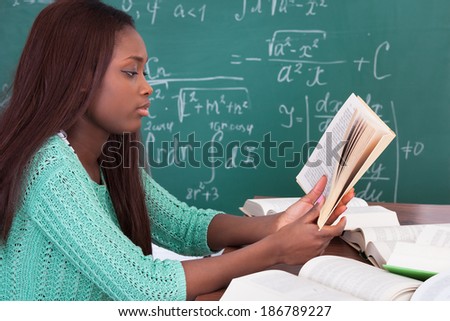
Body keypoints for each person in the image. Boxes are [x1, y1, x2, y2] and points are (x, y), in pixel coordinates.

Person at [0, 0, 352, 301]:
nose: (147, 87)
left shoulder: (108, 158)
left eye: (144, 72)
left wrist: (275, 224)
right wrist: (275, 249)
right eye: (130, 72)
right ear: (79, 78)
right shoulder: (50, 167)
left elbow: (182, 226)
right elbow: (144, 286)